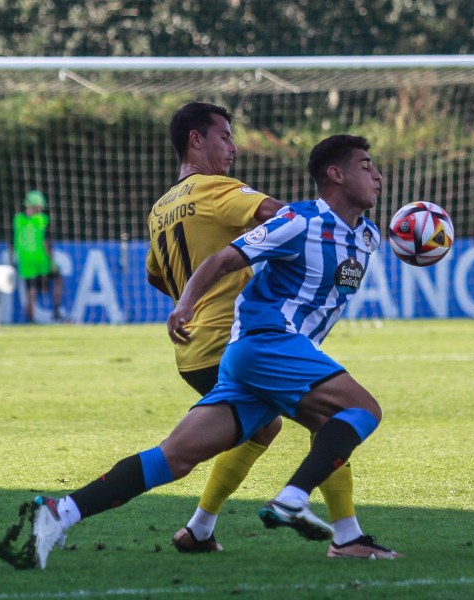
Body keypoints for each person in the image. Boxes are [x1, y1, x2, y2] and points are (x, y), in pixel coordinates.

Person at [0, 133, 399, 570]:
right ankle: (295, 501)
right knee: (362, 410)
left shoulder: (367, 237)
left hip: (259, 359)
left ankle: (60, 514)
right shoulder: (299, 220)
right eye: (366, 165)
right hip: (266, 340)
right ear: (336, 174)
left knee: (175, 457)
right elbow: (223, 259)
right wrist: (185, 303)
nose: (377, 174)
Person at [145, 102, 392, 559]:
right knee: (332, 418)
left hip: (193, 346)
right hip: (243, 336)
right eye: (224, 137)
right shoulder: (219, 190)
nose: (233, 147)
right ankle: (341, 532)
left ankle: (199, 528)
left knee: (264, 427)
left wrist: (187, 303)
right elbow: (280, 217)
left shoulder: (161, 208)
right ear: (196, 140)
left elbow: (156, 276)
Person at [12, 190, 63, 323]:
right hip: (41, 258)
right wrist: (52, 262)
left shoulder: (17, 219)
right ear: (35, 206)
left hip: (24, 259)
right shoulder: (42, 219)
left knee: (31, 290)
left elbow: (11, 241)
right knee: (58, 279)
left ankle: (31, 320)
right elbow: (45, 242)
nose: (40, 209)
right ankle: (56, 310)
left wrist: (13, 259)